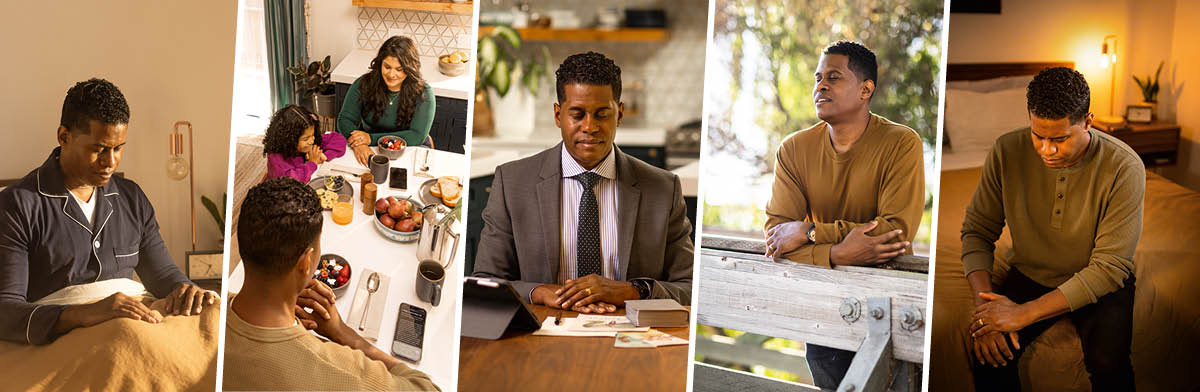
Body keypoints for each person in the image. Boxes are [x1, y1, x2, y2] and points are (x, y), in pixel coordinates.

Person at [962, 67, 1143, 392]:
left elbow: (1110, 267)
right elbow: (977, 231)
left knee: (1109, 365)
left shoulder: (1125, 167)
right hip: (1031, 272)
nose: (1046, 149)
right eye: (1038, 136)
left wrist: (1022, 314)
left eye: (1059, 139)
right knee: (988, 354)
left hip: (1099, 280)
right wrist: (986, 309)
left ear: (1088, 121)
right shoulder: (1006, 150)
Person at [0, 78, 218, 345]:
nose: (110, 162)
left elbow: (163, 277)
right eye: (98, 149)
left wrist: (187, 292)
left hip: (136, 329)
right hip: (72, 344)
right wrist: (84, 313)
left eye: (118, 149)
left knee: (215, 318)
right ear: (64, 137)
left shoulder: (131, 198)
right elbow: (6, 312)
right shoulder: (17, 206)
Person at [472, 52, 693, 314]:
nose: (590, 127)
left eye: (602, 114)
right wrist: (538, 292)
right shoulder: (512, 183)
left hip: (632, 337)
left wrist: (633, 290)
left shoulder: (663, 189)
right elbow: (483, 281)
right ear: (557, 115)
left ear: (619, 114)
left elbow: (689, 287)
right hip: (542, 334)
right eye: (577, 115)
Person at [762, 41, 925, 388]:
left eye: (833, 77)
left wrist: (809, 233)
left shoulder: (902, 143)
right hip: (825, 305)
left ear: (866, 89)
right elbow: (776, 236)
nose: (820, 86)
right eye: (818, 78)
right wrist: (838, 253)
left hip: (892, 301)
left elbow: (893, 230)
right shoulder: (793, 150)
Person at [223, 178, 438, 391]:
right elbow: (426, 387)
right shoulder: (344, 372)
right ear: (306, 262)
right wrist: (344, 334)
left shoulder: (204, 308)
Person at [338, 35, 436, 166]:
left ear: (409, 69)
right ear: (380, 64)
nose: (391, 74)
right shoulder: (363, 84)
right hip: (367, 146)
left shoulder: (424, 93)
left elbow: (417, 136)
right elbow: (345, 119)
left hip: (408, 147)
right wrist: (358, 144)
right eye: (387, 67)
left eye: (399, 69)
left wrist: (370, 139)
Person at [264, 104, 347, 182]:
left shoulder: (309, 141)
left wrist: (323, 155)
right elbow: (290, 182)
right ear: (290, 139)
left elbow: (339, 139)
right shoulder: (276, 158)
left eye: (313, 135)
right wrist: (312, 163)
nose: (311, 141)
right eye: (306, 138)